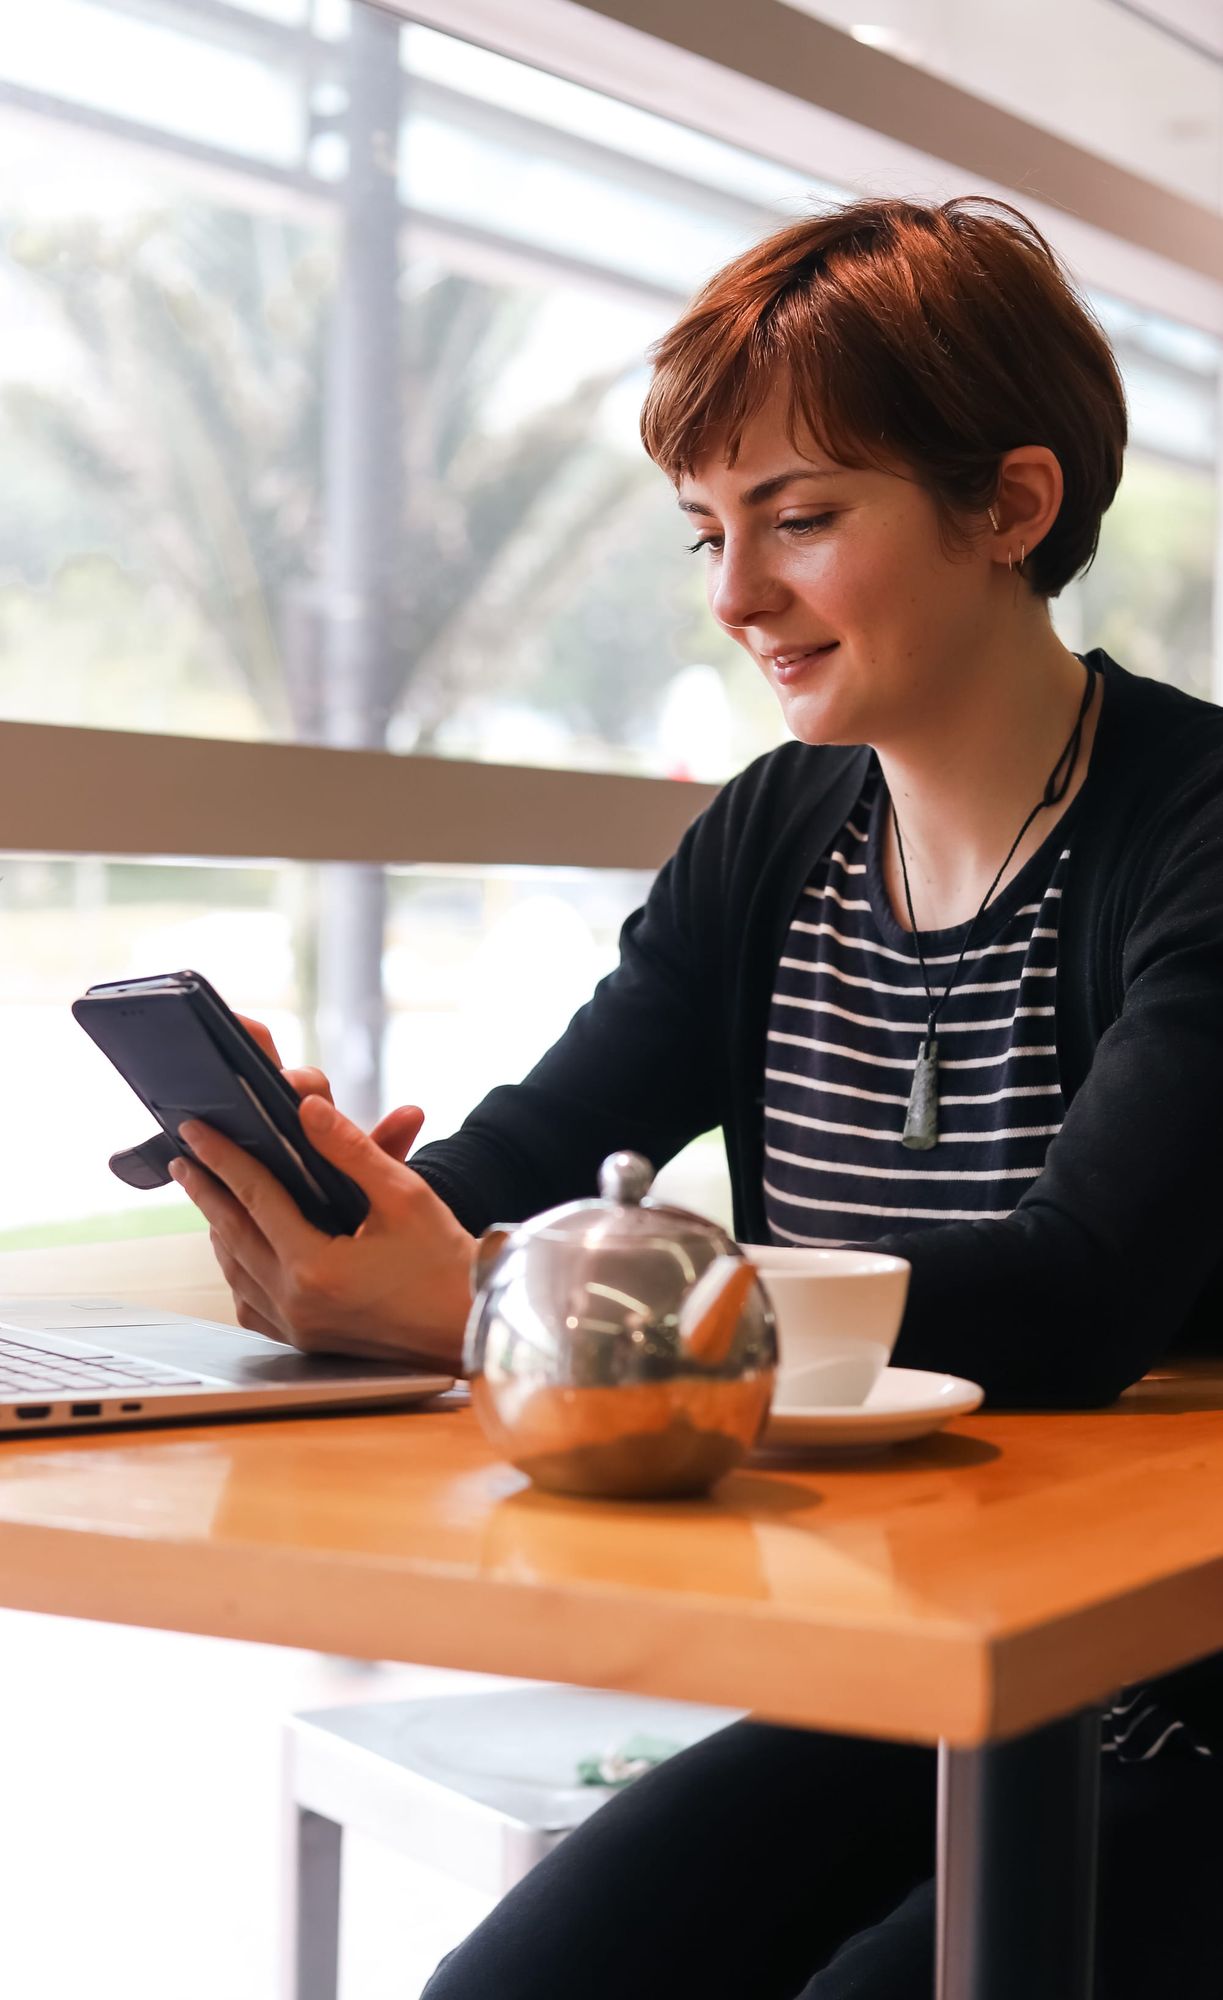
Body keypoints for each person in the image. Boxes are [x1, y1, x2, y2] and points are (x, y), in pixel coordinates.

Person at [169, 197, 1223, 1996]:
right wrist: (330, 1196)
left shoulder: (1192, 825)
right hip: (911, 1672)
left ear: (1013, 507)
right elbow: (510, 1165)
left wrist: (511, 1308)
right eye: (707, 533)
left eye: (802, 520)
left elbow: (1078, 1292)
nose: (737, 597)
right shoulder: (777, 835)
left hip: (1185, 1708)